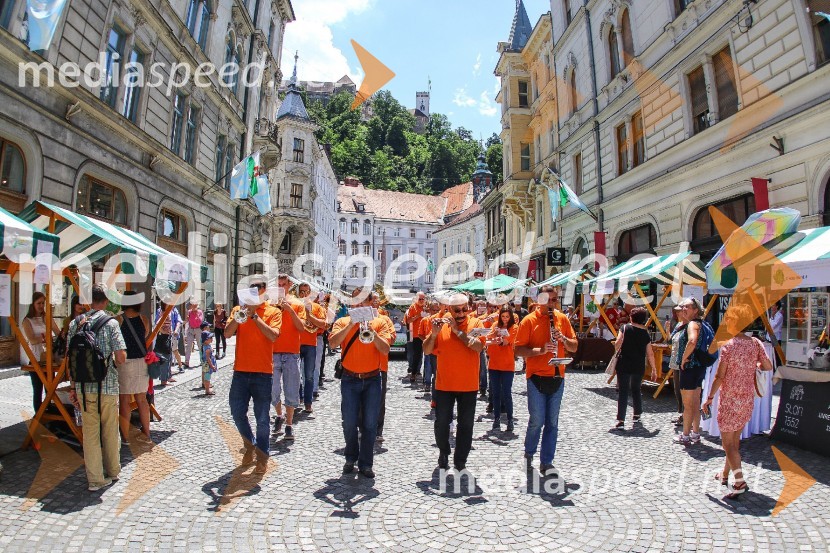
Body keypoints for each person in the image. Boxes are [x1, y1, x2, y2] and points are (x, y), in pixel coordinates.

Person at [703, 304, 773, 498]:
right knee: (733, 441)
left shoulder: (730, 345)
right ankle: (725, 474)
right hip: (746, 399)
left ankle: (740, 481)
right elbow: (767, 366)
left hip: (730, 400)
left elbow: (719, 376)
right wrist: (753, 364)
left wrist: (709, 398)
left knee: (728, 444)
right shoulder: (755, 343)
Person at [329, 287, 395, 478]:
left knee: (369, 424)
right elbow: (333, 344)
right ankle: (350, 456)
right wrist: (351, 325)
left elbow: (384, 349)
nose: (358, 306)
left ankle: (366, 463)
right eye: (355, 302)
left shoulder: (380, 322)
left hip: (372, 379)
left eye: (362, 303)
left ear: (369, 304)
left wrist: (371, 330)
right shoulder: (342, 321)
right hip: (349, 379)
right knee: (349, 422)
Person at [67, 285, 127, 492]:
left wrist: (73, 388)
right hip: (107, 385)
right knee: (110, 429)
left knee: (90, 432)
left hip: (84, 387)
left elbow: (70, 359)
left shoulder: (75, 324)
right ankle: (113, 471)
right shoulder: (111, 323)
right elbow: (121, 357)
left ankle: (95, 479)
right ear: (105, 301)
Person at [514, 285, 578, 477]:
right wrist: (540, 351)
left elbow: (574, 347)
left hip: (558, 376)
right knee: (537, 420)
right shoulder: (529, 321)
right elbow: (517, 350)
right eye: (549, 300)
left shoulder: (562, 319)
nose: (552, 304)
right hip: (536, 377)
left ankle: (547, 462)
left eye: (555, 300)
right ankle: (529, 451)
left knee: (552, 422)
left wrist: (564, 339)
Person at [224, 278, 281, 474]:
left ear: (264, 292)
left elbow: (273, 336)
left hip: (263, 373)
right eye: (251, 289)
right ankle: (250, 445)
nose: (255, 292)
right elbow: (227, 334)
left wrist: (255, 317)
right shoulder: (238, 310)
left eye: (258, 289)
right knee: (237, 412)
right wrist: (240, 314)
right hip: (240, 371)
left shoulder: (273, 311)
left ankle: (262, 456)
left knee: (263, 418)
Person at [423, 293, 486, 471]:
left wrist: (457, 331)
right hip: (444, 385)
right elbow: (427, 351)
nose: (461, 313)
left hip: (469, 385)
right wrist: (434, 335)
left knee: (466, 425)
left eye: (464, 309)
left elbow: (478, 346)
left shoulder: (476, 324)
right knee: (441, 422)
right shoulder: (440, 325)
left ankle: (460, 459)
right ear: (449, 310)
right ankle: (443, 451)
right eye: (457, 310)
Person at [271, 274, 306, 440]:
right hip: (272, 352)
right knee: (272, 390)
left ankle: (289, 424)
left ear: (289, 285)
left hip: (292, 353)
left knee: (291, 390)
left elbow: (301, 328)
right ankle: (279, 415)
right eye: (278, 285)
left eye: (283, 285)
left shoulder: (298, 304)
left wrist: (290, 310)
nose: (280, 288)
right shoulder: (270, 304)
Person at [612, 307, 657, 429]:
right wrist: (654, 369)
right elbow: (650, 353)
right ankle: (637, 414)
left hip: (624, 363)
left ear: (631, 317)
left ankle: (621, 420)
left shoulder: (625, 328)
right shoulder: (645, 333)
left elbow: (617, 344)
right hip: (638, 365)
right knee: (636, 389)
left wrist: (620, 346)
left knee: (623, 391)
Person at [116, 291, 151, 442]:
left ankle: (125, 436)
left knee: (124, 400)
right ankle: (147, 433)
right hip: (142, 362)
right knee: (142, 399)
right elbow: (145, 336)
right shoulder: (144, 319)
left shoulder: (118, 319)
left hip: (125, 361)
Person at [674, 297, 707, 445]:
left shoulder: (692, 324)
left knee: (688, 405)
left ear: (695, 310)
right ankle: (695, 433)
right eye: (683, 307)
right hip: (699, 367)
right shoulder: (702, 324)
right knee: (695, 402)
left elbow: (692, 341)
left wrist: (683, 359)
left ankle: (686, 435)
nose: (684, 309)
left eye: (687, 307)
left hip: (689, 368)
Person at [22, 291, 62, 413]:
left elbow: (57, 332)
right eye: (38, 303)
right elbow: (32, 340)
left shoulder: (46, 317)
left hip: (48, 357)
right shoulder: (27, 320)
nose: (41, 306)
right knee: (38, 389)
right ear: (32, 304)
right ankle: (39, 416)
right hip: (36, 358)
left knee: (50, 389)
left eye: (43, 303)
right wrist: (45, 338)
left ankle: (49, 413)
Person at [486, 306, 518, 432]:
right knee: (495, 393)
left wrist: (499, 338)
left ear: (510, 317)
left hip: (507, 365)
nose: (504, 319)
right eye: (503, 316)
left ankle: (510, 419)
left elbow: (506, 341)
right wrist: (495, 334)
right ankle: (496, 419)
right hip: (494, 364)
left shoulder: (514, 327)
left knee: (507, 393)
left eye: (507, 317)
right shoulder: (495, 325)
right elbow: (488, 338)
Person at [298, 283, 327, 413]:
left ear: (310, 293)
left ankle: (308, 402)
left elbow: (323, 325)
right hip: (295, 343)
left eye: (306, 291)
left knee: (309, 375)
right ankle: (298, 398)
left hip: (311, 343)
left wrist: (309, 316)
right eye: (301, 291)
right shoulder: (294, 306)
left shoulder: (316, 307)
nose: (304, 294)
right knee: (296, 374)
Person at [372, 292, 395, 443]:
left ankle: (378, 430)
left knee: (380, 400)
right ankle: (363, 427)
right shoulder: (360, 318)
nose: (373, 303)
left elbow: (392, 338)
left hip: (381, 365)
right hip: (363, 364)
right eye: (371, 300)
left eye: (375, 300)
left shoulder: (385, 319)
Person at [154, 302, 181, 386]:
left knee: (168, 357)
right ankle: (163, 380)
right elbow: (157, 324)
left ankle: (166, 378)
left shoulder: (169, 311)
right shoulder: (163, 313)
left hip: (167, 337)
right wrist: (164, 332)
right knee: (165, 357)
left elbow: (178, 321)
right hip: (163, 338)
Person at [403, 291, 427, 383]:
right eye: (420, 299)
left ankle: (426, 376)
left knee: (428, 356)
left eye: (422, 299)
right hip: (416, 334)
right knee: (416, 354)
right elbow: (408, 320)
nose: (421, 301)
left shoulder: (427, 307)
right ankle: (414, 373)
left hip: (426, 334)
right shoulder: (413, 307)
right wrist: (418, 315)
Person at [420, 300, 440, 394]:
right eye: (433, 310)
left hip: (438, 348)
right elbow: (420, 334)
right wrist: (427, 341)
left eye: (437, 310)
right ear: (429, 310)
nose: (435, 312)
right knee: (427, 366)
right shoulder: (425, 320)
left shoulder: (441, 320)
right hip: (429, 346)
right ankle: (427, 384)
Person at [184, 300, 204, 368]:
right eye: (191, 305)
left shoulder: (200, 312)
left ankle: (202, 360)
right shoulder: (189, 312)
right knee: (188, 346)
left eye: (193, 305)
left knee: (200, 345)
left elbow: (200, 321)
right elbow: (187, 322)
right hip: (191, 329)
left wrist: (195, 313)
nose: (192, 307)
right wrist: (185, 334)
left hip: (198, 329)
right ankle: (186, 361)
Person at [766, 301, 784, 366]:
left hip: (775, 337)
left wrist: (772, 316)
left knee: (776, 355)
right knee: (770, 353)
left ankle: (778, 368)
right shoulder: (772, 315)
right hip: (769, 337)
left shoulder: (779, 316)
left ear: (777, 306)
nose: (772, 307)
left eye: (773, 305)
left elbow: (773, 326)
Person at [202, 330, 217, 396]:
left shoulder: (206, 346)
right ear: (206, 340)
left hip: (206, 364)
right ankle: (207, 390)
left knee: (207, 377)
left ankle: (207, 389)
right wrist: (212, 366)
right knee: (207, 377)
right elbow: (208, 358)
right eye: (210, 338)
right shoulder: (207, 348)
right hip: (208, 365)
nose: (212, 339)